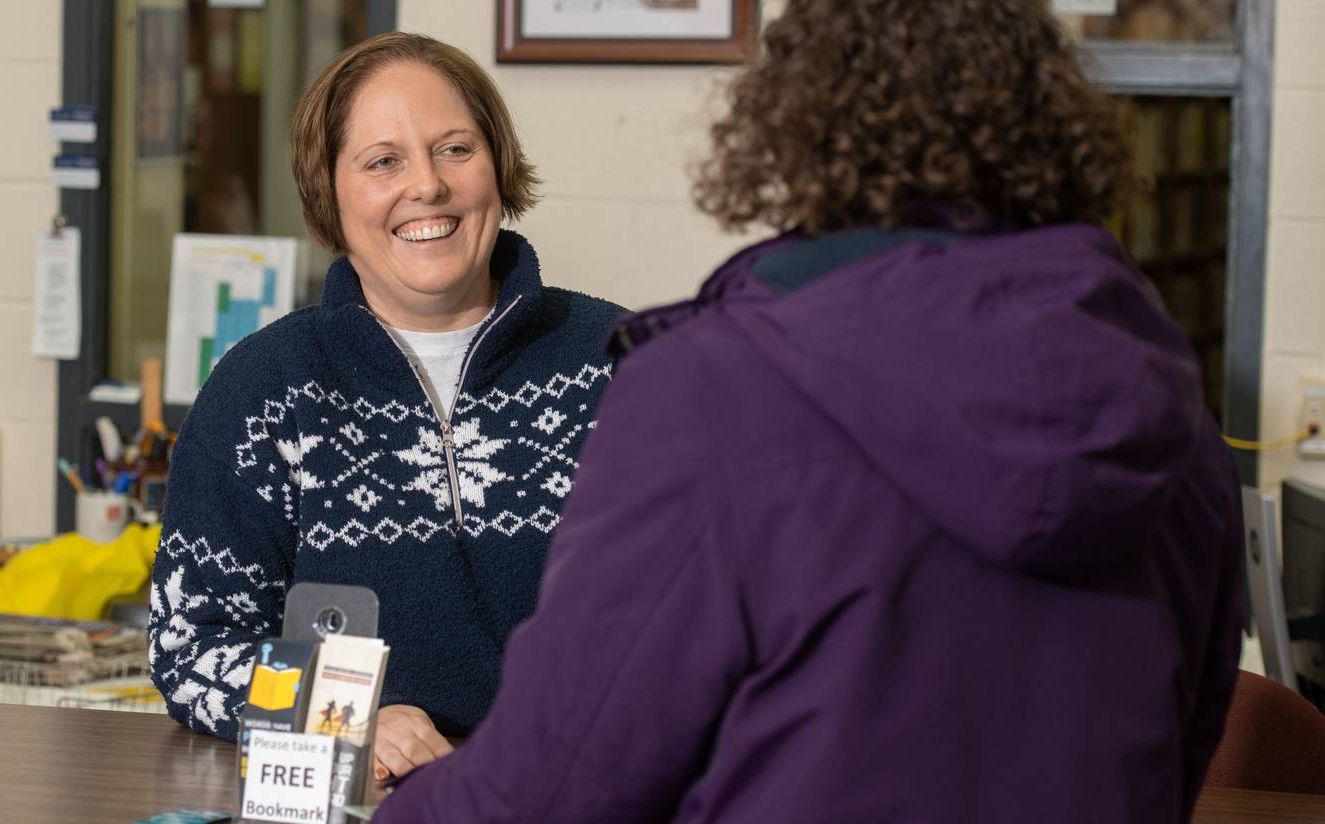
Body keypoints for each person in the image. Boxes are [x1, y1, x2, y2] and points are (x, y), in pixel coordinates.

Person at [374, 1, 1243, 821]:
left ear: (799, 124)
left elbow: (550, 790)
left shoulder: (710, 394)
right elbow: (1183, 746)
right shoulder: (1169, 404)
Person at [146, 32, 627, 784]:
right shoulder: (263, 391)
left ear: (497, 166)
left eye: (455, 149)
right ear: (330, 193)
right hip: (375, 798)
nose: (428, 187)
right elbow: (192, 647)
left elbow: (718, 607)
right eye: (383, 162)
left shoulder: (622, 363)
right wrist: (343, 716)